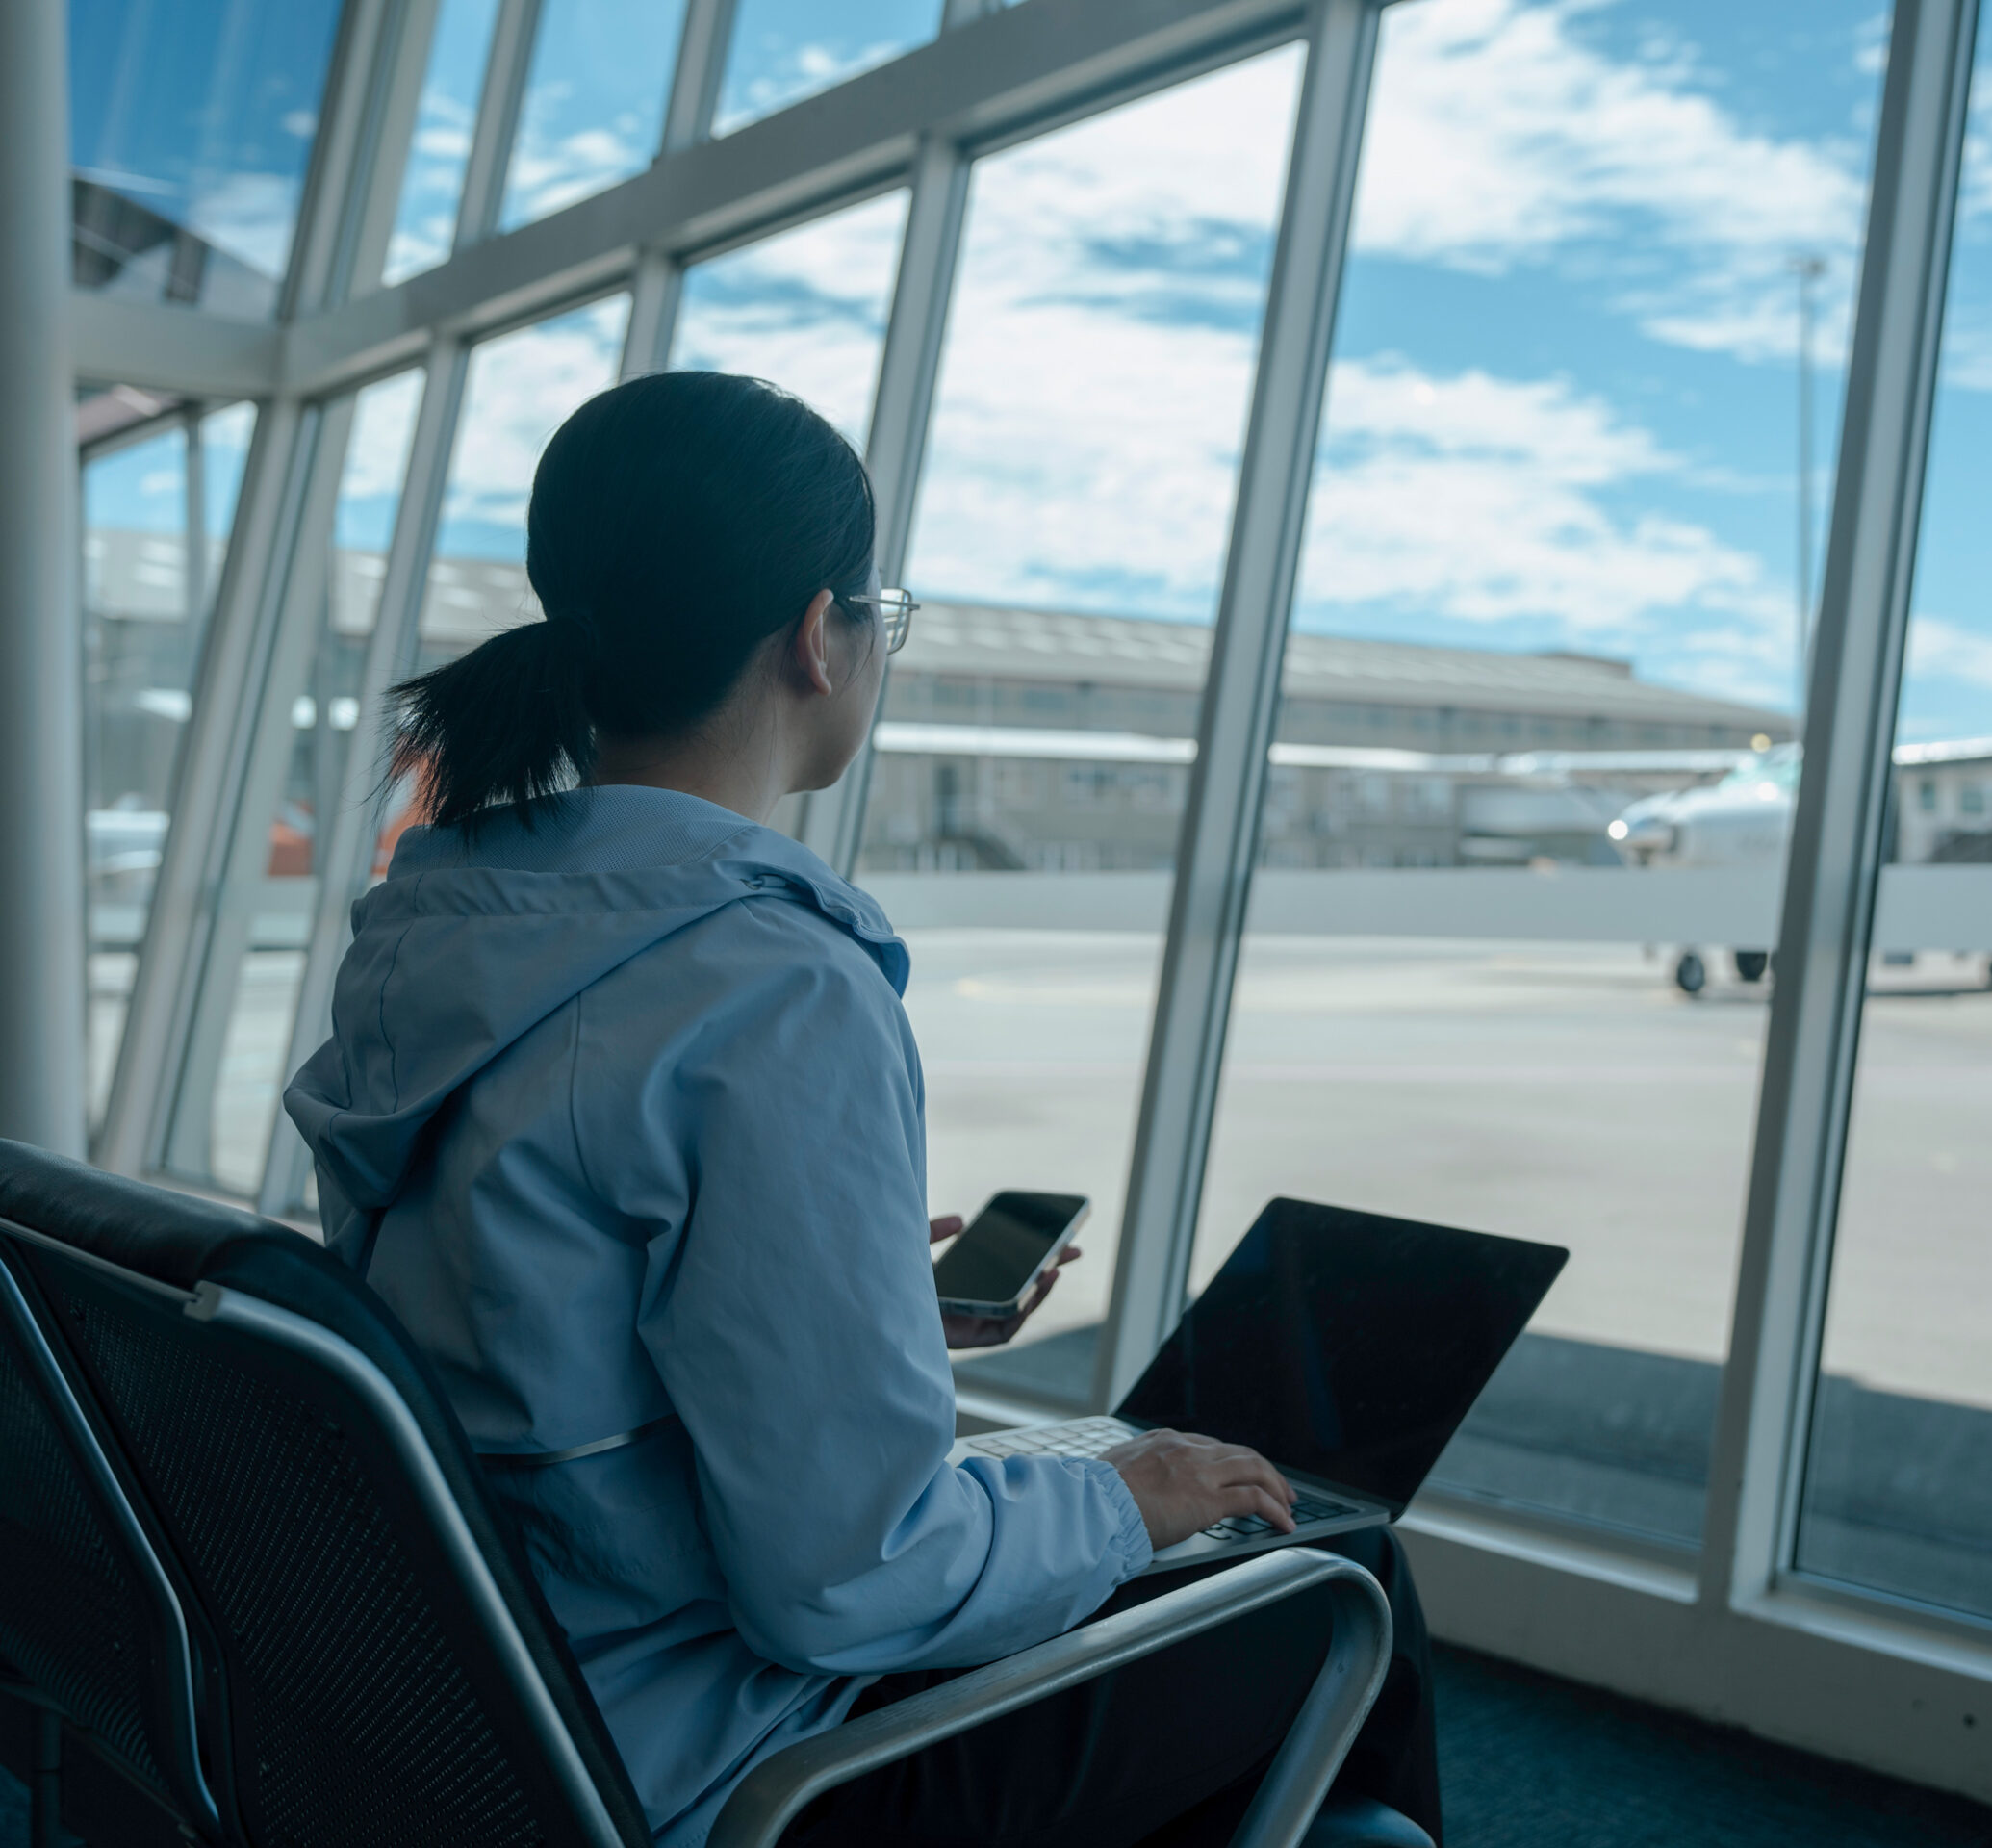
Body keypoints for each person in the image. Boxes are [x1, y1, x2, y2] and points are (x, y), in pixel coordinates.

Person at [284, 372, 1439, 1848]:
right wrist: (1129, 1499)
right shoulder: (768, 987)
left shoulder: (443, 931)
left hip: (480, 1701)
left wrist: (859, 1306)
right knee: (1346, 1581)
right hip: (715, 1765)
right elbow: (851, 1580)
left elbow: (521, 1310)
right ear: (819, 641)